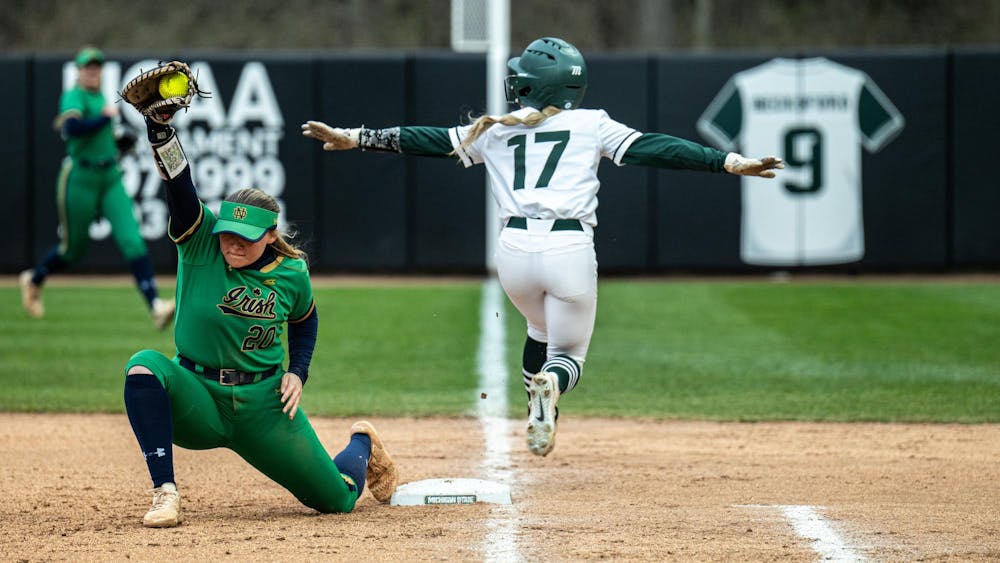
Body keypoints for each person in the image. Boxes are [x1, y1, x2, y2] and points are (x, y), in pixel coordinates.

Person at [301, 37, 784, 457]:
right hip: (568, 249)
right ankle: (550, 384)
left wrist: (355, 136)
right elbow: (658, 148)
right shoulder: (592, 123)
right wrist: (727, 162)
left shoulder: (493, 128)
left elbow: (426, 140)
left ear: (536, 85)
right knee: (569, 354)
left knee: (537, 325)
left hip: (512, 253)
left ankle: (537, 397)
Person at [121, 107, 398, 528]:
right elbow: (178, 182)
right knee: (143, 366)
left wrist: (298, 372)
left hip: (264, 406)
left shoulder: (291, 272)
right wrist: (160, 132)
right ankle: (165, 494)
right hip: (198, 395)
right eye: (228, 233)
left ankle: (362, 442)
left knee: (337, 500)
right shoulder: (200, 241)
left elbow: (305, 320)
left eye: (246, 238)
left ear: (271, 234)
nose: (232, 243)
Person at [19, 46, 175, 329]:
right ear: (78, 71)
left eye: (97, 66)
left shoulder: (101, 97)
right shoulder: (74, 96)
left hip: (110, 176)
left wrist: (117, 143)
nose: (93, 70)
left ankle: (155, 305)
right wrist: (104, 118)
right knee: (72, 250)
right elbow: (72, 129)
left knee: (132, 241)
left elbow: (98, 135)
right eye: (87, 66)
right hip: (80, 177)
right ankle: (35, 278)